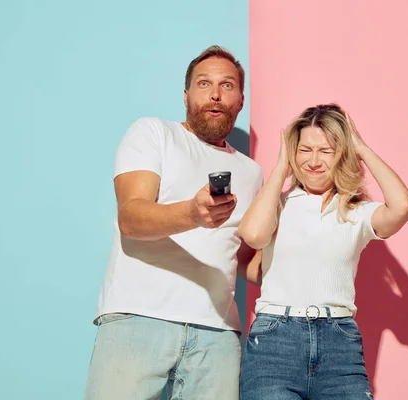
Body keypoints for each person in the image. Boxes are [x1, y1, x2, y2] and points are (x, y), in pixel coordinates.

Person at [84, 45, 263, 400]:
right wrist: (192, 214)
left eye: (227, 85)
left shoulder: (252, 172)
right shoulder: (153, 133)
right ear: (186, 95)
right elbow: (131, 217)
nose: (215, 94)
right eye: (203, 84)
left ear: (240, 99)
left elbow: (242, 259)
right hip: (138, 317)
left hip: (218, 334)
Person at [238, 103, 408, 399]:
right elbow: (254, 235)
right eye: (304, 150)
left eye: (326, 150)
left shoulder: (355, 212)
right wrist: (281, 168)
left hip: (339, 343)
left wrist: (362, 148)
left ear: (342, 154)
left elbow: (403, 206)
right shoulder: (276, 203)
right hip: (274, 344)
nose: (314, 161)